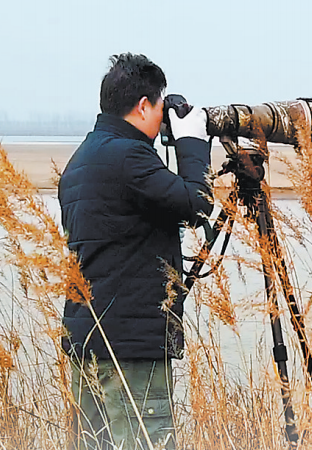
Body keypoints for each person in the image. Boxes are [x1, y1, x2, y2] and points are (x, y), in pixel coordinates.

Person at [58, 53, 213, 450]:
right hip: (130, 349)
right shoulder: (128, 157)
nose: (163, 118)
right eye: (161, 107)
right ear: (144, 105)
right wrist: (193, 143)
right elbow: (196, 203)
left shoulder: (82, 159)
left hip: (89, 342)